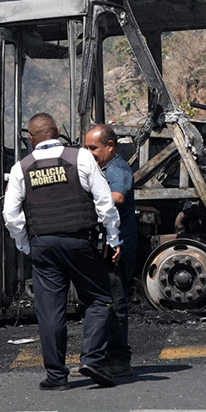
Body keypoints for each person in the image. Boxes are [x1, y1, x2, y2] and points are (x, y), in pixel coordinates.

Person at [3, 113, 122, 390]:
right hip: (80, 241)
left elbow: (10, 214)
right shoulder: (80, 158)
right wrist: (114, 239)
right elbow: (105, 203)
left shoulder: (22, 167)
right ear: (57, 131)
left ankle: (57, 377)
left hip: (43, 245)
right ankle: (92, 358)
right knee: (99, 298)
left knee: (50, 312)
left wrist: (25, 245)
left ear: (31, 140)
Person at [84, 124, 136, 378]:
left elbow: (117, 197)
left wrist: (85, 197)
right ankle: (102, 358)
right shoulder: (101, 169)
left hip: (119, 248)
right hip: (105, 247)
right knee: (104, 304)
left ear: (110, 146)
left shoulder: (118, 169)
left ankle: (120, 359)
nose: (89, 152)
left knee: (116, 305)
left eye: (93, 147)